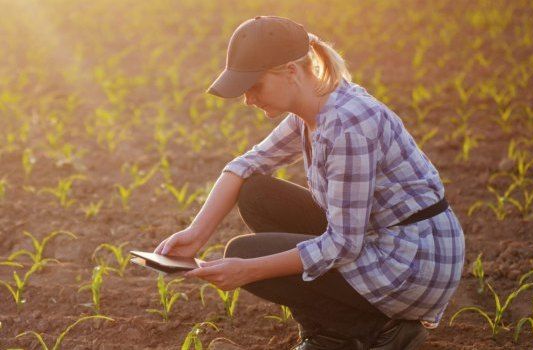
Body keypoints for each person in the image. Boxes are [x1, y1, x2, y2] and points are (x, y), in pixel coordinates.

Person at [154, 15, 465, 350]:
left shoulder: (347, 126)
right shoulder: (312, 109)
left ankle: (379, 331)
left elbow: (343, 244)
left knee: (245, 253)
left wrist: (249, 270)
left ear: (290, 71)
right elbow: (245, 166)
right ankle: (332, 336)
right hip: (379, 238)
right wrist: (196, 234)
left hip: (412, 262)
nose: (248, 99)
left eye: (254, 86)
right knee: (257, 195)